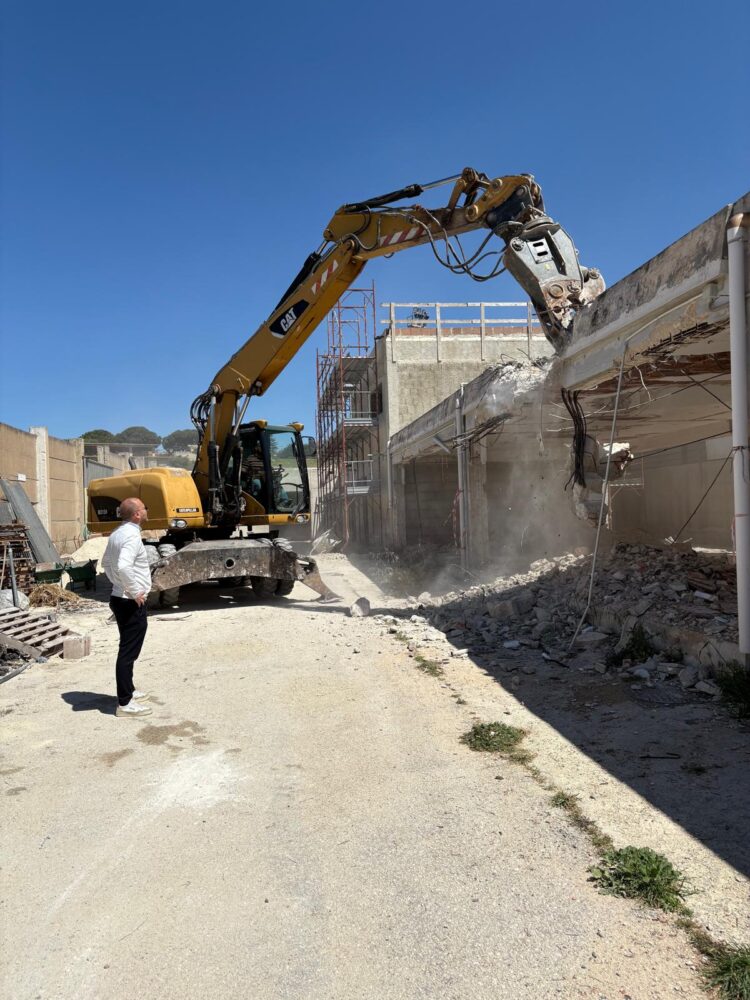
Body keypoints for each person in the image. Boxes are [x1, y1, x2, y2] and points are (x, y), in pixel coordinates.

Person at [101, 497, 153, 719]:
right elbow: (123, 565)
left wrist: (120, 586)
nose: (146, 510)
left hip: (119, 598)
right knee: (128, 652)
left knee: (127, 648)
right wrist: (134, 591)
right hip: (130, 601)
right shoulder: (131, 536)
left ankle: (129, 691)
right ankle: (125, 703)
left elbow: (105, 563)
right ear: (137, 514)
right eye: (144, 507)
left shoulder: (117, 533)